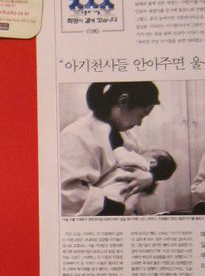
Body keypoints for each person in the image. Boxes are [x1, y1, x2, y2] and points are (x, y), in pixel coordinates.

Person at [60, 82, 165, 216]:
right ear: (123, 101)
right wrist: (121, 210)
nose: (139, 123)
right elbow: (71, 195)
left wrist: (150, 178)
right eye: (141, 115)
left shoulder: (129, 137)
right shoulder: (76, 135)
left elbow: (147, 162)